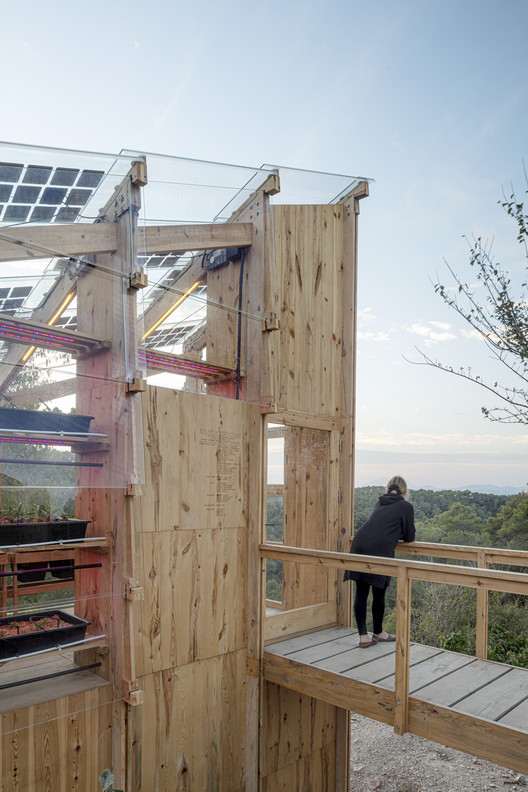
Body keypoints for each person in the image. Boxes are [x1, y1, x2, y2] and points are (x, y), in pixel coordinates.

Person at [344, 475, 415, 647]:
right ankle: (378, 632)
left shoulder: (380, 502)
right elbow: (409, 537)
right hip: (379, 549)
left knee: (361, 592)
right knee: (379, 591)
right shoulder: (406, 506)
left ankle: (363, 637)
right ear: (405, 491)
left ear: (388, 488)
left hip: (359, 544)